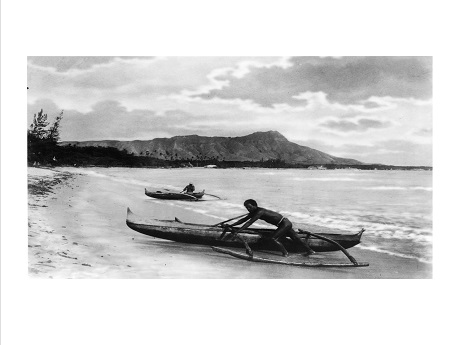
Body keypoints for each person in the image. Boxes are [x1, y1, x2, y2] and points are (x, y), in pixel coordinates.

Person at [224, 199, 315, 257]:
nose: (248, 209)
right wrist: (231, 226)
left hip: (285, 224)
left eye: (250, 207)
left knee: (273, 238)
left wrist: (239, 231)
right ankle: (310, 250)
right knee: (295, 238)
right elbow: (243, 220)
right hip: (285, 223)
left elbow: (249, 222)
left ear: (255, 205)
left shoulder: (260, 212)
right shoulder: (254, 212)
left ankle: (285, 253)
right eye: (247, 208)